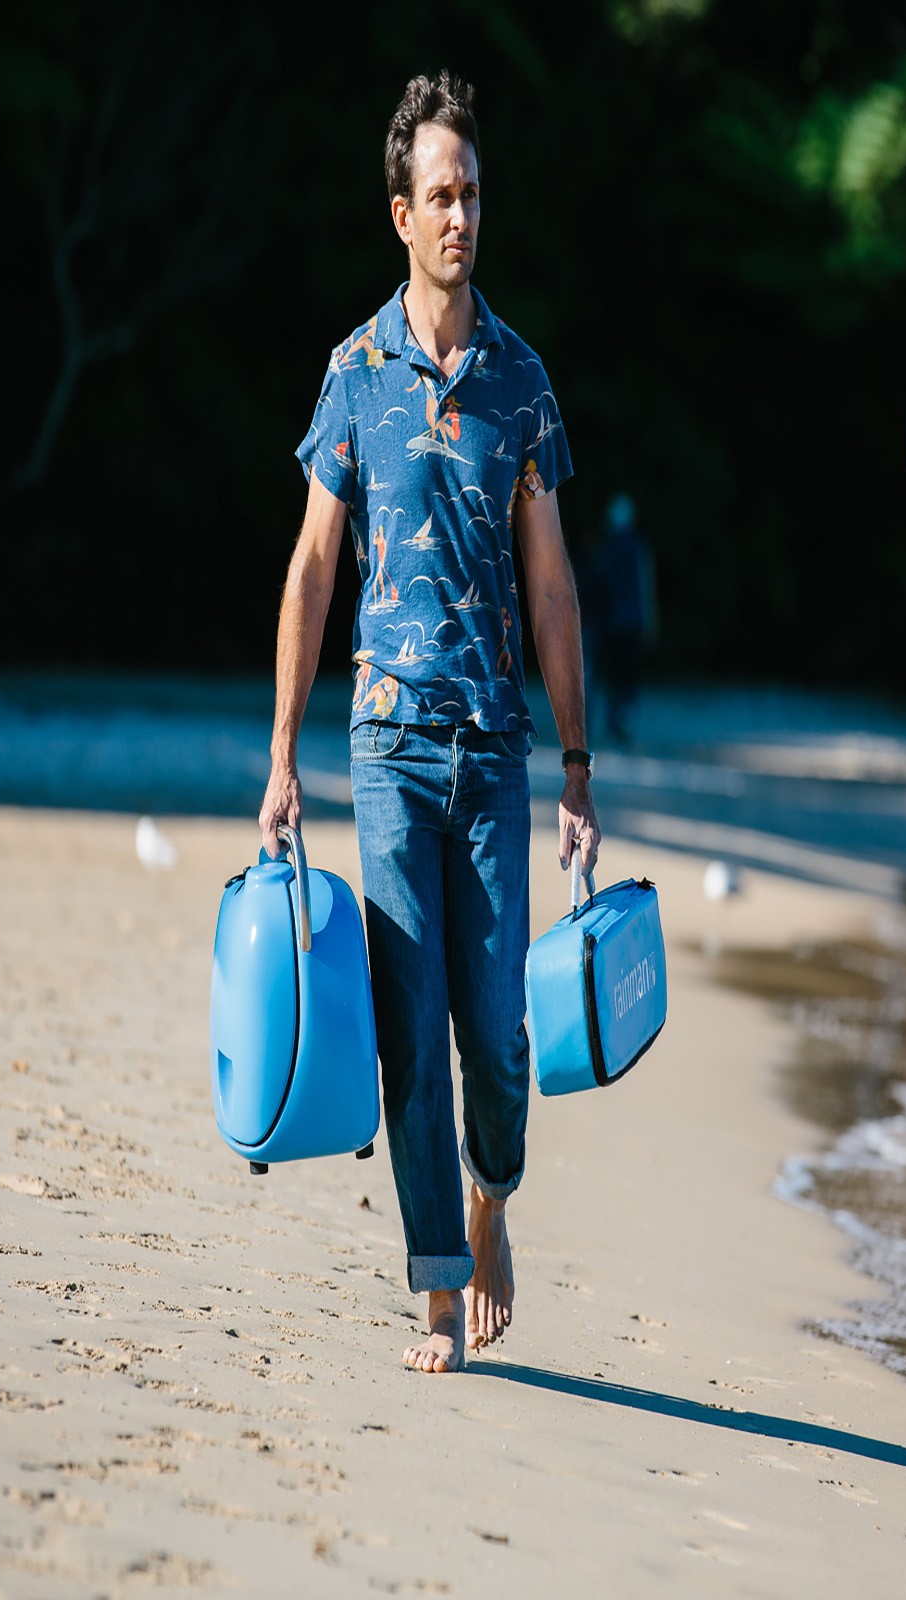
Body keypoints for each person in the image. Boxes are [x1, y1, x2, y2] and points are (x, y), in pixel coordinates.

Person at [257, 73, 600, 1375]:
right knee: (413, 1024)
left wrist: (577, 762)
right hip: (388, 744)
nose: (462, 215)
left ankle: (491, 1201)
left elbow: (555, 582)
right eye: (440, 196)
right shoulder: (353, 375)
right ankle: (439, 1284)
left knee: (498, 1040)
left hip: (499, 751)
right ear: (400, 213)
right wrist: (284, 756)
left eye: (474, 194)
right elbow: (309, 570)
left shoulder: (523, 380)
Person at [587, 493, 656, 744]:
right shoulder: (638, 546)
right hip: (633, 622)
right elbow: (645, 584)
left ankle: (613, 723)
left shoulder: (606, 548)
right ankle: (626, 722)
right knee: (630, 676)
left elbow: (600, 587)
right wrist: (650, 620)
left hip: (613, 622)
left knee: (614, 675)